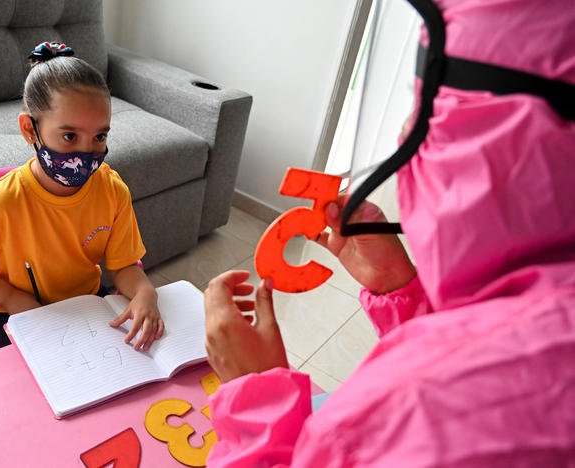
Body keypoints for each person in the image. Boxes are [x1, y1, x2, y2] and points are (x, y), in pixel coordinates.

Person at [203, 0, 575, 465]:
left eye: (433, 111)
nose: (404, 136)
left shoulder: (421, 405)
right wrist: (403, 290)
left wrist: (250, 394)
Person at [0, 42, 164, 351]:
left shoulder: (112, 189)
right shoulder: (0, 203)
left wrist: (145, 291)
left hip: (87, 307)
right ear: (30, 130)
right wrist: (13, 298)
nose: (87, 151)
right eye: (69, 136)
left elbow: (123, 266)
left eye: (100, 136)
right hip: (19, 314)